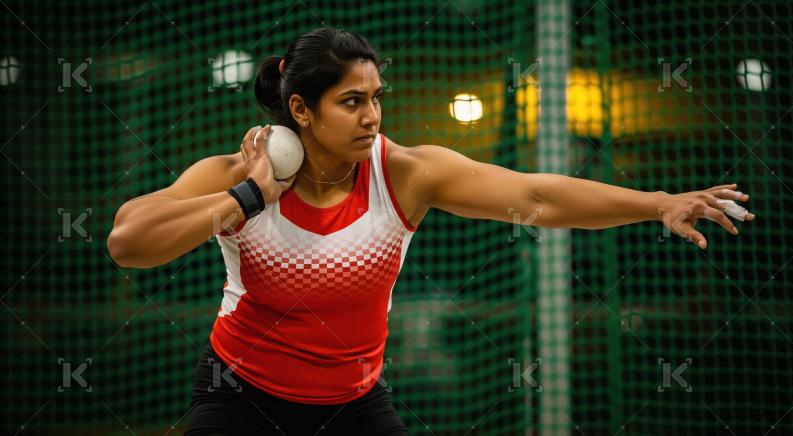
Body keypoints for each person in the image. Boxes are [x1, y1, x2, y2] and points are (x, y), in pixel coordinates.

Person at [106, 27, 755, 435]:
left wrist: (657, 202)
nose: (372, 116)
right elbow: (128, 242)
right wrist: (248, 197)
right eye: (352, 102)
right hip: (238, 399)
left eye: (377, 97)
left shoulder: (407, 174)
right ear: (300, 109)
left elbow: (534, 194)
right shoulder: (236, 174)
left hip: (354, 404)